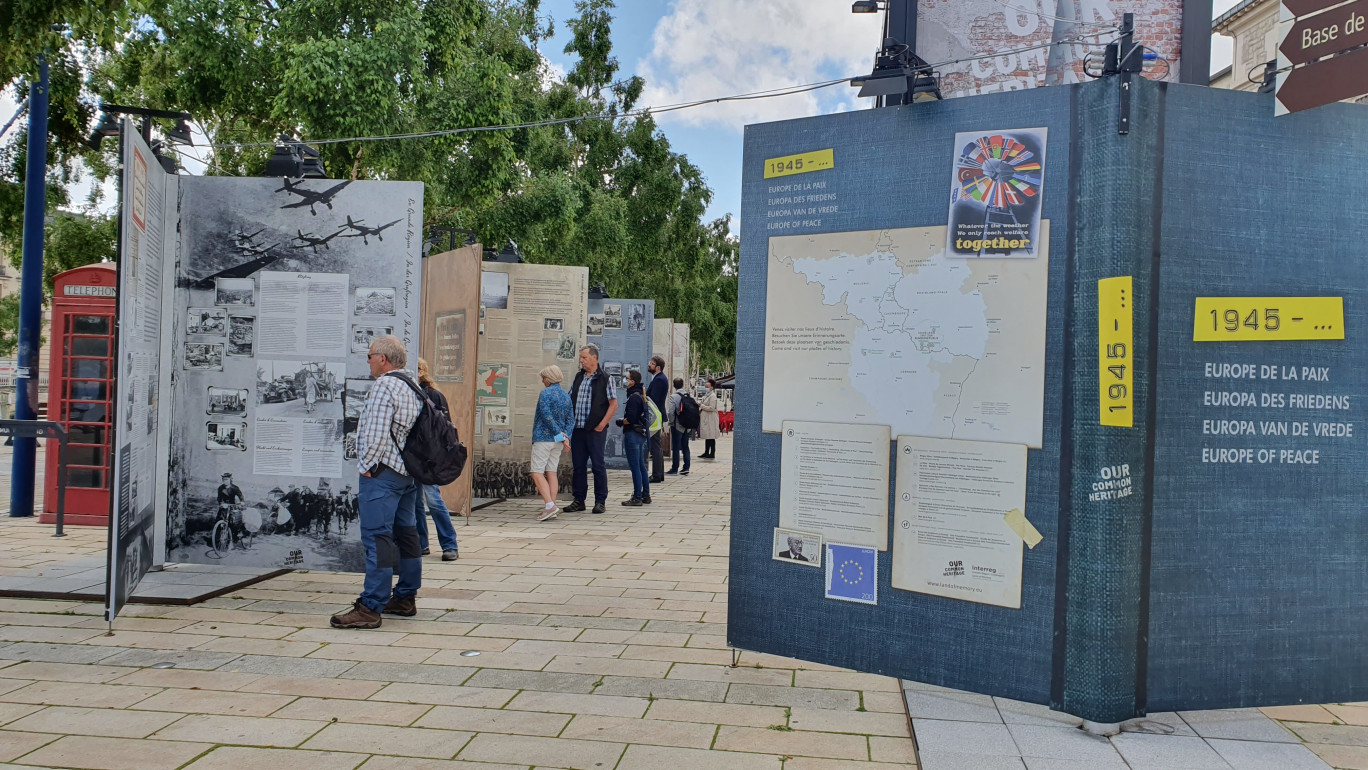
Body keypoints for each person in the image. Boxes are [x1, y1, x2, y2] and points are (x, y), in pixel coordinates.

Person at [331, 335, 423, 630]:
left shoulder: (384, 385)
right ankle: (405, 597)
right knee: (407, 534)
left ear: (383, 359)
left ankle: (371, 606)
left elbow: (375, 433)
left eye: (370, 355)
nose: (368, 360)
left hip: (383, 475)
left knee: (378, 537)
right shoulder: (413, 385)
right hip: (408, 474)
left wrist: (366, 466)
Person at [412, 357, 460, 560]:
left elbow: (446, 428)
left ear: (421, 372)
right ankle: (421, 544)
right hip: (411, 456)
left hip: (429, 457)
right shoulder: (407, 393)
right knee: (414, 502)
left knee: (433, 500)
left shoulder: (434, 396)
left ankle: (449, 544)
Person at [566, 344, 617, 514]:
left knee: (597, 465)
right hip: (578, 430)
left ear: (594, 358)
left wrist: (602, 424)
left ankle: (600, 501)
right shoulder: (579, 377)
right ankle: (579, 500)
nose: (581, 360)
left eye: (584, 357)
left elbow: (613, 404)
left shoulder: (605, 378)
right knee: (579, 466)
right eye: (580, 357)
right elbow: (569, 398)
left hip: (595, 430)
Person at [531, 365, 574, 521]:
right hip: (557, 441)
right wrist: (565, 436)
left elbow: (546, 416)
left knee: (536, 472)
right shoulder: (565, 395)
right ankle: (551, 506)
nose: (542, 381)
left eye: (543, 378)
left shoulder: (545, 393)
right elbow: (571, 420)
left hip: (543, 439)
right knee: (551, 472)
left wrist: (558, 433)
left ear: (548, 379)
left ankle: (550, 506)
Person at [615, 369, 652, 506]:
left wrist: (620, 422)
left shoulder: (633, 397)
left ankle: (637, 496)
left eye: (627, 378)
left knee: (635, 466)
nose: (625, 380)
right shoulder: (640, 395)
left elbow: (630, 419)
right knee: (641, 465)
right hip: (640, 434)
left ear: (632, 381)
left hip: (632, 434)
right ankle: (646, 494)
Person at [646, 356, 669, 482]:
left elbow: (653, 400)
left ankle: (656, 475)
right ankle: (658, 474)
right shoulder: (659, 378)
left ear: (658, 367)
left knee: (655, 446)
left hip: (655, 415)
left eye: (652, 363)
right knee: (656, 445)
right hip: (657, 415)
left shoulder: (659, 380)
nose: (649, 365)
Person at [665, 377, 691, 476]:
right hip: (687, 425)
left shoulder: (673, 397)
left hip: (677, 425)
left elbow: (671, 412)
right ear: (683, 384)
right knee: (685, 446)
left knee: (676, 447)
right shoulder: (688, 395)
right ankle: (686, 467)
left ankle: (674, 468)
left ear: (674, 385)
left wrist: (671, 423)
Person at [698, 379, 720, 459]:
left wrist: (701, 406)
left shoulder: (713, 396)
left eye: (707, 387)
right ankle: (706, 452)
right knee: (707, 436)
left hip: (711, 418)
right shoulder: (707, 395)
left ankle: (712, 453)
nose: (706, 388)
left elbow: (711, 407)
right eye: (705, 387)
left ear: (711, 387)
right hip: (706, 418)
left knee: (711, 436)